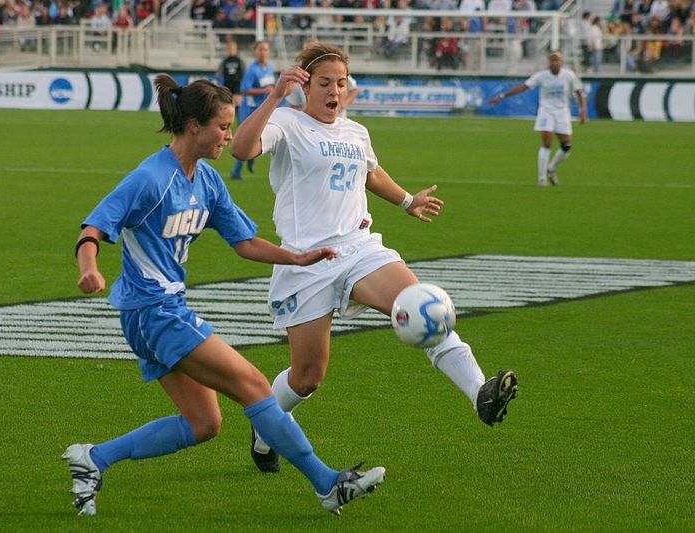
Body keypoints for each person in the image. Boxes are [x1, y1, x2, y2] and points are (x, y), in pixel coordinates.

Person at [62, 74, 385, 517]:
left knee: (204, 423)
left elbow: (245, 242)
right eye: (222, 127)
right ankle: (328, 484)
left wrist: (298, 258)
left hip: (161, 310)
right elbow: (93, 228)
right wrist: (89, 269)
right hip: (152, 311)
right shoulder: (151, 179)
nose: (229, 136)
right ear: (194, 126)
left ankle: (93, 458)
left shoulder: (208, 181)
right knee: (253, 384)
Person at [230, 43, 518, 474]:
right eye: (324, 83)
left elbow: (370, 173)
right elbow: (241, 149)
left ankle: (481, 390)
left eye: (341, 83)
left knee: (425, 308)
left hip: (360, 248)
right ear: (305, 86)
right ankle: (267, 425)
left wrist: (407, 201)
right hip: (305, 261)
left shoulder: (355, 131)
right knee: (307, 376)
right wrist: (274, 97)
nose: (334, 91)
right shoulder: (287, 122)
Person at [489, 50, 586, 187]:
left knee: (567, 146)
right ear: (549, 62)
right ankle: (541, 179)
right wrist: (502, 96)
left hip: (563, 112)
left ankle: (551, 167)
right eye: (552, 60)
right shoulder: (542, 76)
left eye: (557, 60)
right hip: (546, 112)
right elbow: (523, 87)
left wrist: (583, 111)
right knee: (547, 143)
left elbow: (579, 93)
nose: (554, 63)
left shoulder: (569, 75)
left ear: (561, 62)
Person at [231, 40, 275, 180]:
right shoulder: (252, 70)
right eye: (260, 49)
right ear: (255, 52)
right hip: (249, 110)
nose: (263, 52)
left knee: (257, 138)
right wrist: (264, 90)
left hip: (260, 109)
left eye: (265, 49)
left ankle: (251, 159)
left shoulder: (269, 68)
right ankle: (236, 172)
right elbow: (244, 90)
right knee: (245, 139)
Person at [215, 40, 245, 117]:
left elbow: (244, 72)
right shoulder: (225, 61)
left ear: (236, 50)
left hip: (237, 84)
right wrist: (218, 80)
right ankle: (227, 117)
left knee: (238, 102)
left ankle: (238, 119)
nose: (231, 51)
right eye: (230, 49)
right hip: (227, 84)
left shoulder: (239, 61)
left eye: (233, 49)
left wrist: (242, 83)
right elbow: (219, 72)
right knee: (227, 103)